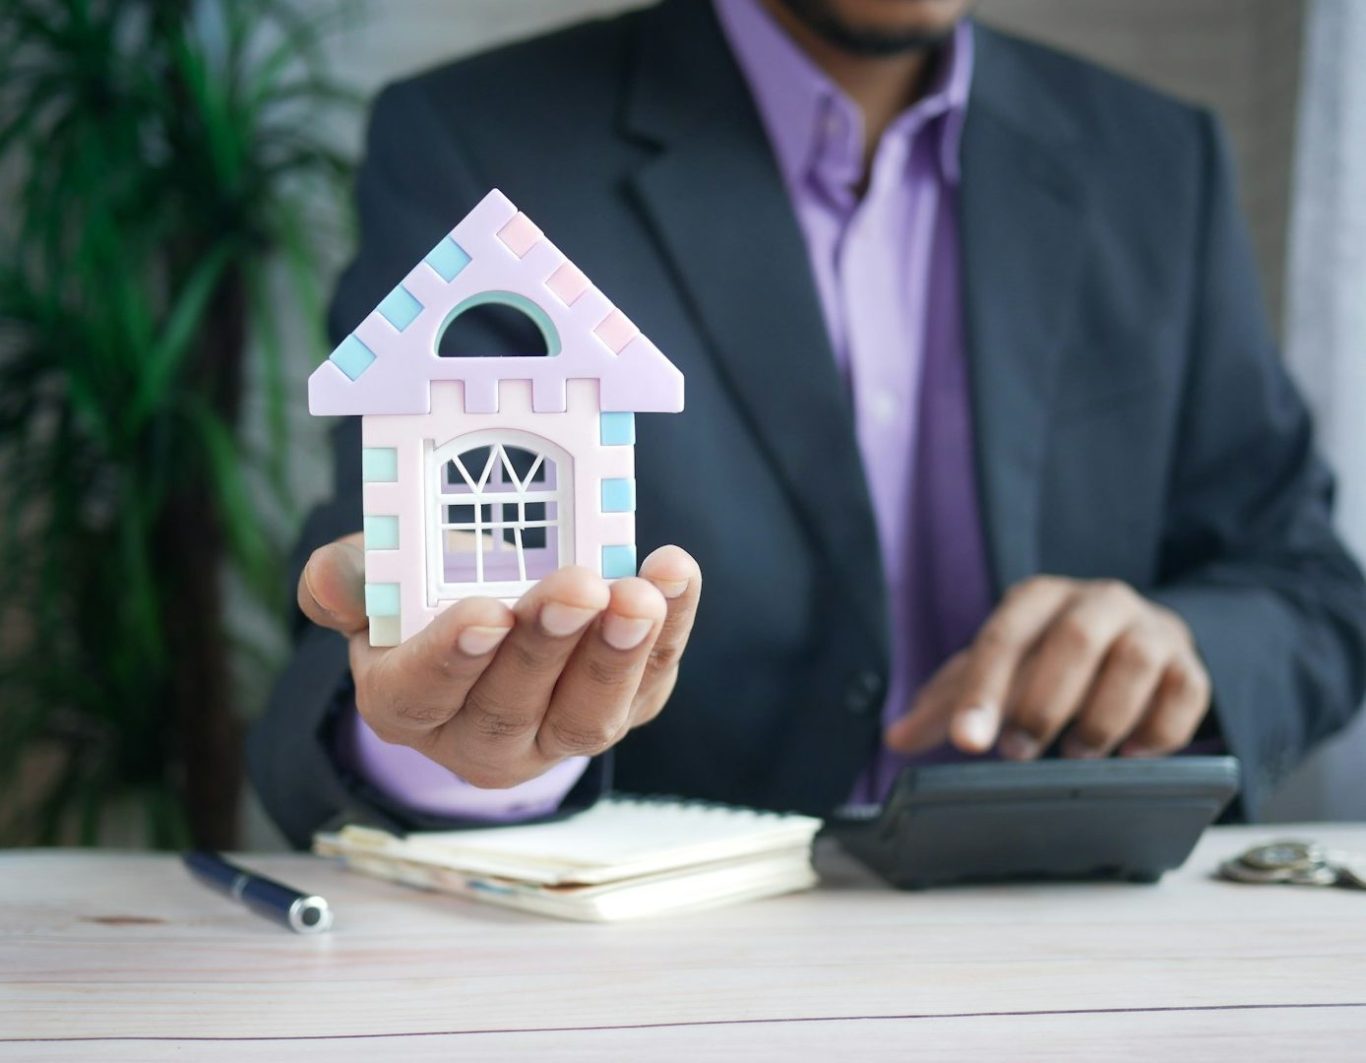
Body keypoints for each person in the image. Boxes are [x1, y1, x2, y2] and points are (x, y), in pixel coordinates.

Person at [250, 0, 1366, 847]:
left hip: (1084, 942)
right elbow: (388, 602)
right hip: (659, 971)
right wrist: (466, 750)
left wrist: (1187, 651)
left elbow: (1310, 587)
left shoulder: (1160, 163)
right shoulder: (476, 142)